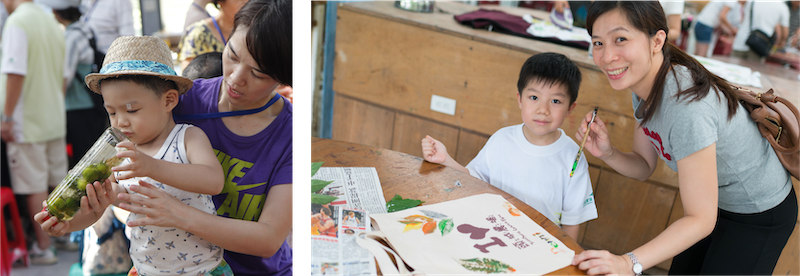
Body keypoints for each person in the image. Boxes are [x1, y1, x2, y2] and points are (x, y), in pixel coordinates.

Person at [573, 2, 797, 275]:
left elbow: (701, 220)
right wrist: (608, 152)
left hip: (758, 214)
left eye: (620, 39)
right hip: (715, 205)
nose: (607, 56)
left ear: (657, 41)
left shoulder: (686, 106)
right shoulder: (644, 84)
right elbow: (644, 165)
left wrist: (627, 263)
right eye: (598, 43)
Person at [113, 1, 293, 275]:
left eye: (257, 73)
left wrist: (178, 214)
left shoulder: (290, 134)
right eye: (232, 55)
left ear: (283, 79)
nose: (235, 78)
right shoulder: (178, 103)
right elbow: (117, 173)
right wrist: (78, 214)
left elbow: (268, 239)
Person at [34, 36, 231, 275]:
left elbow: (213, 181)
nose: (120, 121)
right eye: (112, 112)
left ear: (168, 100)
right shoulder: (119, 155)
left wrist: (151, 166)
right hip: (145, 270)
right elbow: (98, 210)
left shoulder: (187, 137)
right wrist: (65, 225)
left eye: (131, 110)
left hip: (200, 270)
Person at [421, 53, 598, 240]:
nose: (543, 110)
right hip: (488, 233)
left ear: (570, 108)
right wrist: (445, 159)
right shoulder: (502, 139)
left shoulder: (573, 158)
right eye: (534, 97)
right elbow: (473, 179)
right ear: (520, 99)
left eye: (555, 101)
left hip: (539, 248)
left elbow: (572, 223)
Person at [1, 0, 66, 265]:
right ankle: (63, 234)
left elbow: (15, 73)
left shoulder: (17, 22)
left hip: (26, 120)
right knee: (56, 181)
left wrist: (6, 117)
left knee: (34, 185)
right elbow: (63, 75)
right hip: (54, 115)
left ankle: (43, 246)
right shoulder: (50, 21)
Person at [177, 0, 247, 69]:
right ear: (220, 1)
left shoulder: (250, 31)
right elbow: (188, 76)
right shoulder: (199, 33)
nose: (246, 2)